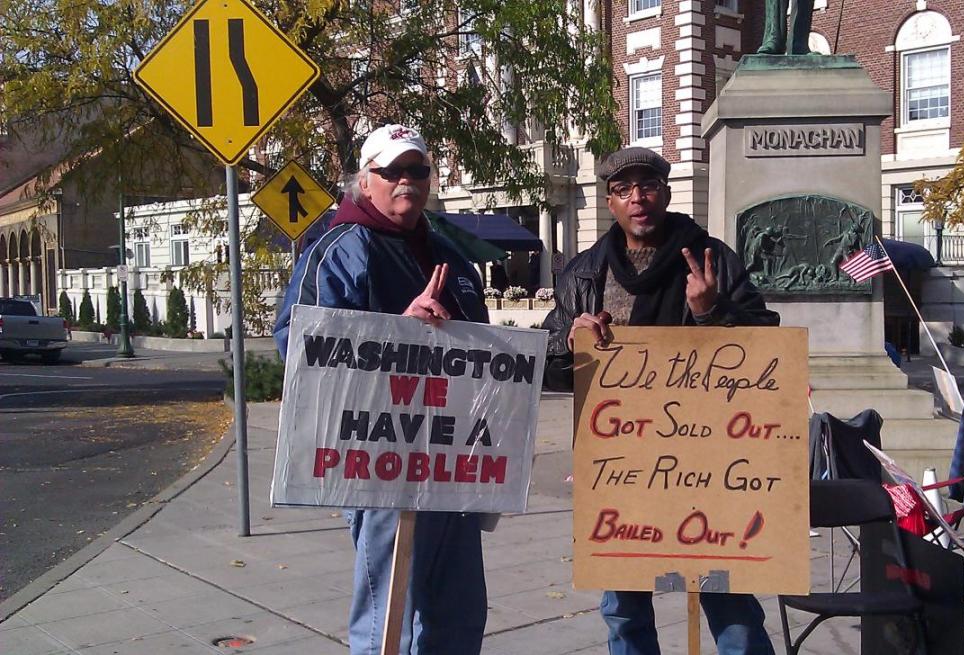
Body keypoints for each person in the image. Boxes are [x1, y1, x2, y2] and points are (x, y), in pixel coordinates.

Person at [542, 147, 780, 655]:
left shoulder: (712, 258)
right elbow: (548, 366)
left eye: (647, 186)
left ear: (666, 194)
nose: (638, 198)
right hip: (620, 465)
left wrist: (713, 310)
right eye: (623, 189)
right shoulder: (583, 273)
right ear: (610, 202)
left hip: (709, 462)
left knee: (729, 602)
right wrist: (569, 342)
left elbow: (766, 349)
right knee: (624, 609)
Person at [273, 124, 490, 655]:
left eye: (417, 169)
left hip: (453, 458)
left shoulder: (450, 253)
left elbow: (486, 349)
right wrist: (399, 331)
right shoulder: (339, 249)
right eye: (391, 170)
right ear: (364, 181)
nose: (405, 179)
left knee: (459, 611)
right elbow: (297, 344)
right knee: (390, 616)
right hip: (380, 459)